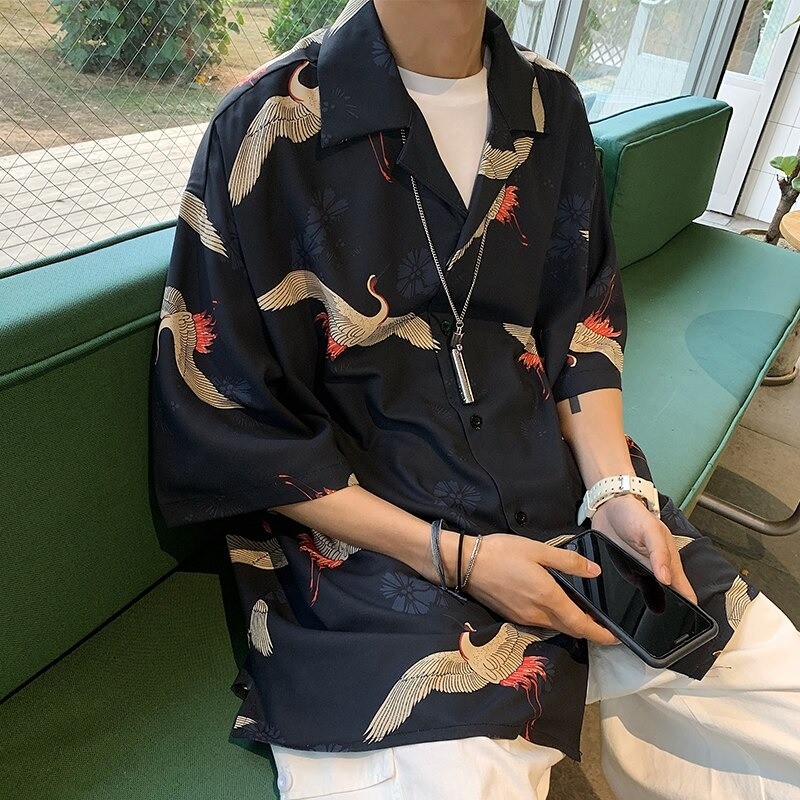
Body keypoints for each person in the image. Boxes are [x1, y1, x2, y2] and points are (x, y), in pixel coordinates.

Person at [148, 0, 800, 797]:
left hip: (550, 487)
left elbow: (581, 323)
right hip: (365, 541)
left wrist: (614, 490)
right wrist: (459, 559)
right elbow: (233, 417)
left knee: (766, 685)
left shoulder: (549, 105)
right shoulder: (265, 125)